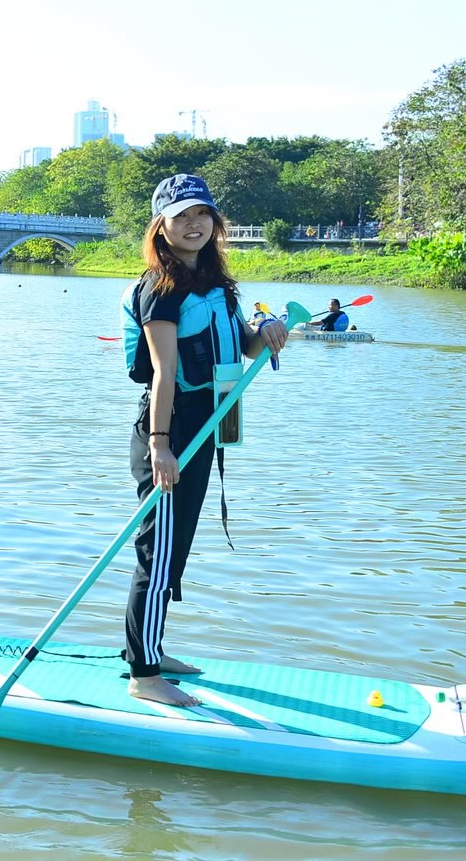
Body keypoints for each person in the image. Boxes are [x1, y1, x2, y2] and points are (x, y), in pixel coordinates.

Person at [121, 174, 289, 707]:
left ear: (216, 224)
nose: (193, 225)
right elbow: (164, 373)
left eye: (203, 215)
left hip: (207, 423)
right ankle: (144, 675)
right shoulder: (159, 289)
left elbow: (237, 342)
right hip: (167, 428)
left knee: (177, 547)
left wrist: (266, 333)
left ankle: (152, 649)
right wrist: (160, 445)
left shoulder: (218, 285)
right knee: (157, 550)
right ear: (161, 227)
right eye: (181, 217)